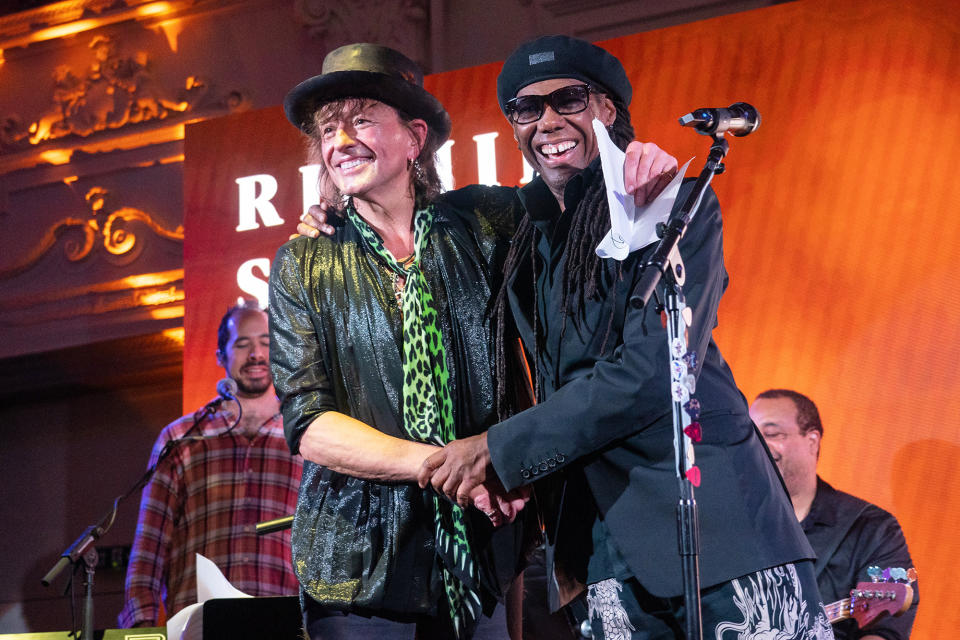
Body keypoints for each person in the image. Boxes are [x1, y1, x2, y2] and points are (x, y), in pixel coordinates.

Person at [416, 35, 835, 639]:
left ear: (607, 110)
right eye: (527, 109)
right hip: (601, 555)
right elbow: (416, 213)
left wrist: (499, 449)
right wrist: (335, 215)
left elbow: (653, 371)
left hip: (719, 540)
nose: (548, 122)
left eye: (568, 100)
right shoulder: (526, 236)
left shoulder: (671, 200)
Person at [273, 43, 676, 640]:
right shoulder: (306, 260)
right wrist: (452, 469)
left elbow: (580, 194)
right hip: (359, 562)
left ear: (414, 138)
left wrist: (638, 161)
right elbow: (309, 423)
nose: (339, 141)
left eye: (360, 120)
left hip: (483, 553)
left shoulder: (489, 219)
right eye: (328, 129)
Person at [118, 300, 302, 627]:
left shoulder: (307, 436)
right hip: (199, 624)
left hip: (285, 621)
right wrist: (141, 627)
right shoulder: (181, 438)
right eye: (243, 344)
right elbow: (149, 548)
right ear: (221, 357)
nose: (257, 354)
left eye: (266, 343)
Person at [750, 389, 917, 640]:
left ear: (812, 441)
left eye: (772, 434)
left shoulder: (871, 528)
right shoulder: (727, 522)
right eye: (751, 436)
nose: (758, 445)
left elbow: (884, 632)